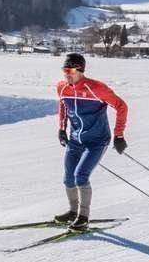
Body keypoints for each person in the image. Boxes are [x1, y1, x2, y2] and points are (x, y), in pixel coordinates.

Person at [55, 52, 129, 229]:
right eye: (64, 70)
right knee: (68, 179)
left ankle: (83, 217)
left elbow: (121, 106)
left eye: (69, 70)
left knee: (80, 176)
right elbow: (63, 105)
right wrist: (61, 128)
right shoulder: (62, 87)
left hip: (97, 141)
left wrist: (119, 135)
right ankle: (73, 212)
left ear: (80, 70)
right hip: (75, 140)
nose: (66, 73)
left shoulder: (96, 88)